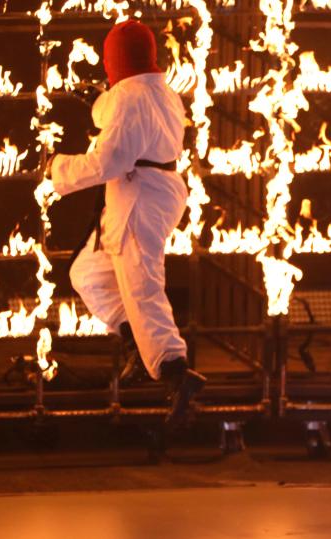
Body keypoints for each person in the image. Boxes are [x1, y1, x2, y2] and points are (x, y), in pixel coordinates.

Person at [48, 20, 205, 428]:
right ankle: (141, 344)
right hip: (152, 192)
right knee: (88, 273)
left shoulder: (130, 98)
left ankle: (176, 372)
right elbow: (123, 118)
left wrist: (57, 168)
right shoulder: (160, 90)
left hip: (139, 198)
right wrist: (102, 99)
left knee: (141, 284)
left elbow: (110, 160)